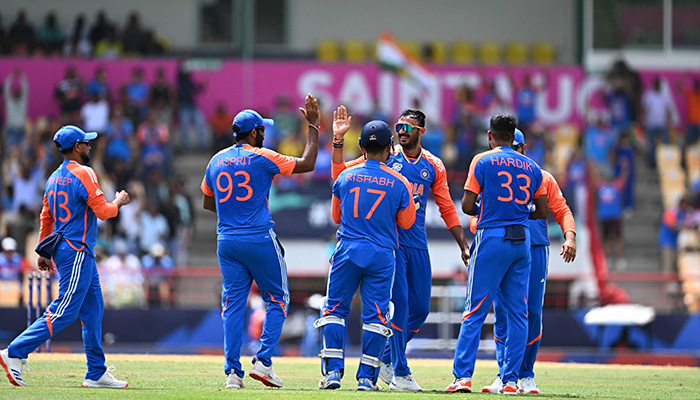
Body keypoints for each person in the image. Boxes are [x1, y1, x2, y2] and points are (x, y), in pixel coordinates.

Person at [331, 106, 469, 391]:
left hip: (417, 243)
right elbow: (341, 174)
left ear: (421, 131)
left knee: (420, 308)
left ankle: (383, 358)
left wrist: (463, 244)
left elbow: (446, 206)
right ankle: (400, 373)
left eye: (407, 128)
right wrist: (338, 142)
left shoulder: (434, 165)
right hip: (390, 244)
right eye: (398, 127)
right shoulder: (384, 155)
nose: (401, 132)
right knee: (401, 308)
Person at [200, 94, 320, 389]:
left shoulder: (216, 160)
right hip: (257, 237)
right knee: (279, 299)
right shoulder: (263, 157)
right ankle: (264, 362)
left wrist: (233, 211)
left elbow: (207, 202)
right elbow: (307, 164)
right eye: (262, 130)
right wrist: (314, 126)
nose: (265, 134)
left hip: (226, 240)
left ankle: (232, 373)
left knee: (232, 306)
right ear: (254, 133)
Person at [0, 125, 131, 388]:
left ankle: (96, 372)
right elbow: (104, 212)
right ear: (76, 147)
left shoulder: (53, 178)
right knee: (65, 310)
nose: (90, 146)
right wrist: (118, 202)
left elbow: (46, 217)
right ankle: (14, 351)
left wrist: (43, 250)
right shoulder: (84, 172)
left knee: (93, 309)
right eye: (86, 143)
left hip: (69, 249)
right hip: (77, 250)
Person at [447, 114, 549, 394]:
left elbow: (468, 206)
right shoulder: (532, 166)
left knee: (475, 310)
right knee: (519, 314)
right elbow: (542, 211)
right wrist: (520, 210)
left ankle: (463, 377)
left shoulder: (482, 160)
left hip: (491, 236)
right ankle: (511, 381)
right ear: (514, 136)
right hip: (522, 240)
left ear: (490, 136)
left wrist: (488, 206)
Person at [475, 129, 576, 394]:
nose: (513, 151)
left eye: (517, 147)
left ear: (523, 147)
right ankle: (504, 375)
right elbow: (479, 211)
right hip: (506, 246)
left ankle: (526, 374)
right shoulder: (494, 174)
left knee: (532, 313)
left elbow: (562, 209)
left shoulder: (541, 176)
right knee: (503, 315)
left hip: (535, 248)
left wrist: (570, 237)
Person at [317, 120, 416, 391]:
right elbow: (407, 223)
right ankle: (366, 379)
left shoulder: (345, 176)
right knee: (376, 316)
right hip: (382, 255)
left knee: (335, 310)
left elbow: (336, 217)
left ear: (361, 147)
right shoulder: (400, 182)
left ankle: (332, 374)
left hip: (348, 249)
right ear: (389, 149)